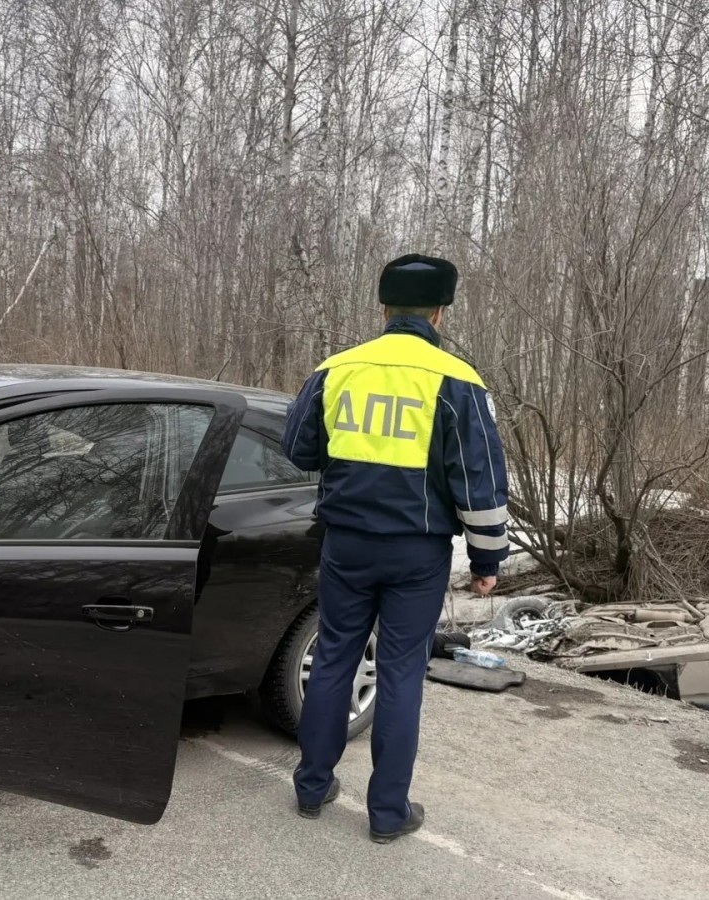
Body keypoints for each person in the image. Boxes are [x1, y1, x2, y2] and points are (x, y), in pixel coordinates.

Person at [281, 253, 509, 843]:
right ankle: (387, 814)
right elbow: (479, 483)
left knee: (335, 657)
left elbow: (298, 447)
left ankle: (312, 787)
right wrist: (486, 560)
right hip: (417, 552)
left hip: (346, 544)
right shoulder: (457, 380)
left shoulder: (336, 369)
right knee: (402, 672)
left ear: (383, 307)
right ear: (439, 312)